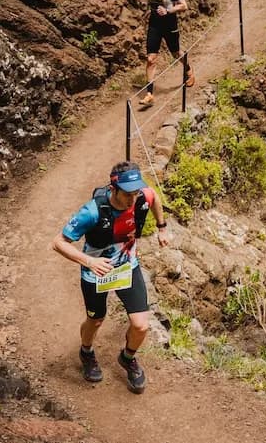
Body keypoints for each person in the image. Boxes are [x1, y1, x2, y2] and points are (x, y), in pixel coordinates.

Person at [51, 161, 170, 393]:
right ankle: (86, 352)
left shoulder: (142, 197)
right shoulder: (92, 211)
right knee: (95, 320)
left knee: (141, 326)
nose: (132, 199)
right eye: (127, 194)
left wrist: (162, 227)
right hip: (95, 273)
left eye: (135, 193)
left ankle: (127, 358)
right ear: (113, 188)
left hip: (126, 268)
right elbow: (58, 242)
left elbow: (154, 196)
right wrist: (90, 262)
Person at [140, 0, 194, 107]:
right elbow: (150, 3)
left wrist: (168, 10)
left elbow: (184, 6)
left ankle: (188, 70)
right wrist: (147, 13)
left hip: (170, 25)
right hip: (154, 25)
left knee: (176, 53)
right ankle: (149, 93)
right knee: (151, 58)